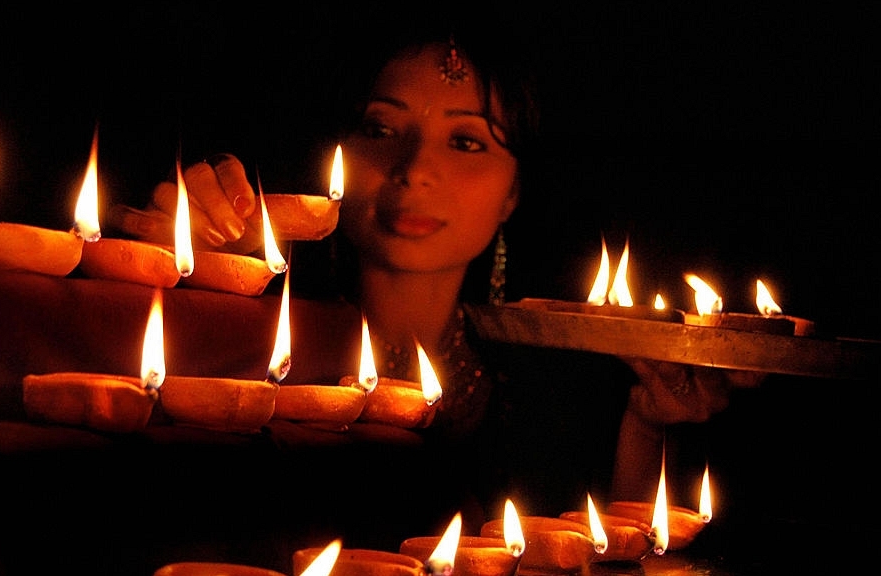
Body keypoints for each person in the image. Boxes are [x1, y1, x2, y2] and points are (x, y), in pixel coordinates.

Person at [111, 16, 762, 526]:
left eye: (467, 141)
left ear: (513, 195)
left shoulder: (559, 392)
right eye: (381, 127)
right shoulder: (255, 343)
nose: (415, 167)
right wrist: (184, 251)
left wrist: (646, 425)